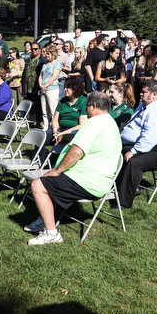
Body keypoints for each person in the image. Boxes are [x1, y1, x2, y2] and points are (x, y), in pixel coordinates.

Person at [22, 91, 122, 245]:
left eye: (87, 106)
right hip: (97, 179)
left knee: (38, 185)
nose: (86, 109)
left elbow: (77, 150)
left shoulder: (95, 122)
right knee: (50, 183)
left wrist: (57, 170)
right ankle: (45, 220)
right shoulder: (111, 122)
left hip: (88, 181)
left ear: (94, 106)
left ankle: (52, 233)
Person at [115, 79, 157, 208]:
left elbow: (149, 138)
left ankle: (123, 202)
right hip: (147, 145)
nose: (141, 94)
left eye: (144, 92)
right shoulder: (145, 105)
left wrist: (133, 151)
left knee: (134, 162)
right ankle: (120, 187)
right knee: (115, 151)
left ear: (154, 94)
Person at [39, 45, 62, 130]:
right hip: (43, 90)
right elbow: (41, 76)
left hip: (52, 89)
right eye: (46, 54)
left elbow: (54, 76)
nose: (47, 56)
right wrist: (41, 86)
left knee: (53, 110)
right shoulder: (45, 64)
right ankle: (45, 127)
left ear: (53, 54)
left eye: (48, 54)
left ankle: (54, 127)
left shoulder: (57, 64)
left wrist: (45, 86)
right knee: (44, 110)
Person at [21, 42, 45, 122]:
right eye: (32, 49)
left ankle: (38, 121)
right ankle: (23, 119)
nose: (33, 51)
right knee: (25, 103)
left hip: (36, 86)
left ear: (39, 50)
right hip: (27, 87)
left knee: (37, 105)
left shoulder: (42, 60)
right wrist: (22, 85)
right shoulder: (29, 60)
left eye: (35, 49)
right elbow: (24, 73)